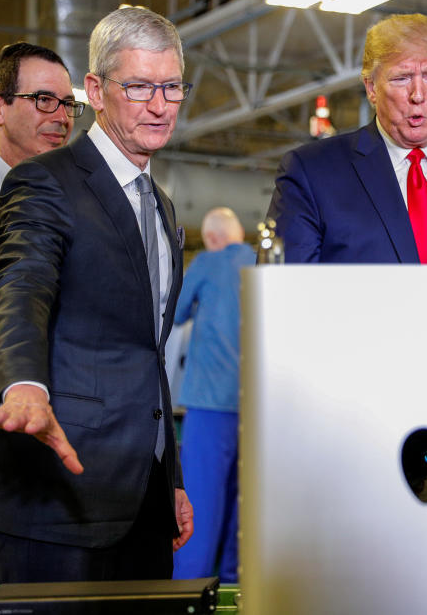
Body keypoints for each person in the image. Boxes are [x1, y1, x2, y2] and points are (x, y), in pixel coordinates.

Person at [0, 6, 194, 582]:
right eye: (139, 86)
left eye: (171, 86)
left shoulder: (162, 206)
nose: (160, 104)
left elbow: (148, 355)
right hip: (56, 497)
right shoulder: (44, 179)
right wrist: (21, 385)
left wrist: (172, 477)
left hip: (143, 500)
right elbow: (20, 289)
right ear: (95, 89)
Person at [0, 42, 81, 584]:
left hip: (46, 471)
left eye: (70, 105)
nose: (61, 117)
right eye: (43, 100)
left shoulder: (86, 205)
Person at [269, 13, 427, 264]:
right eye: (402, 78)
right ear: (371, 88)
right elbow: (283, 294)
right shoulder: (312, 172)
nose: (418, 94)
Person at [172, 207, 254, 583]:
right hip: (256, 407)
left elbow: (174, 313)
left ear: (212, 238)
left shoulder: (207, 262)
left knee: (201, 500)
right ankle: (236, 583)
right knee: (246, 501)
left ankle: (191, 586)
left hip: (210, 402)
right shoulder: (263, 263)